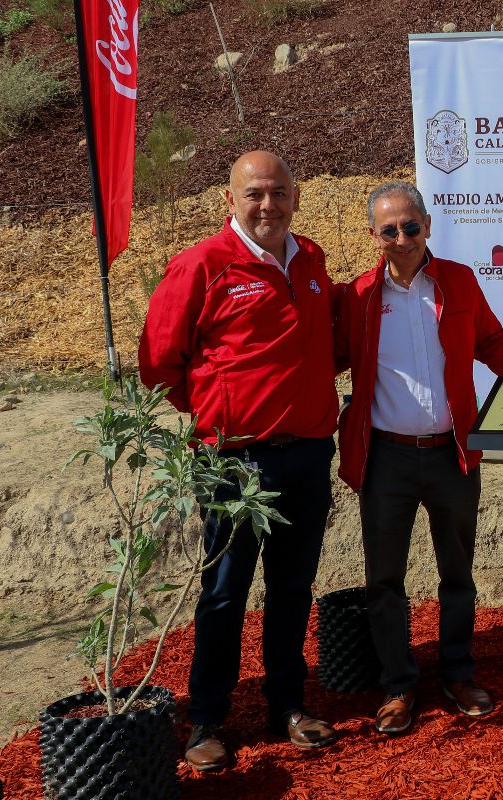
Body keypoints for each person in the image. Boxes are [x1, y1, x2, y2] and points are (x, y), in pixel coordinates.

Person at [139, 150, 340, 772]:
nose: (268, 205)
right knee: (225, 592)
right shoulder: (200, 265)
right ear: (230, 199)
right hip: (235, 462)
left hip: (306, 456)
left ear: (296, 197)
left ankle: (288, 705)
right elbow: (159, 364)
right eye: (254, 193)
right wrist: (218, 410)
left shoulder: (310, 261)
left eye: (279, 192)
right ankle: (208, 719)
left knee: (292, 587)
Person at [333, 181, 503, 736]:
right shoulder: (358, 296)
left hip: (451, 454)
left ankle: (458, 673)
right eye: (390, 229)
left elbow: (491, 343)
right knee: (384, 579)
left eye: (412, 226)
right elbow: (327, 361)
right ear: (374, 235)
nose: (403, 237)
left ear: (428, 224)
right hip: (385, 458)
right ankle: (398, 685)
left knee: (458, 573)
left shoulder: (458, 279)